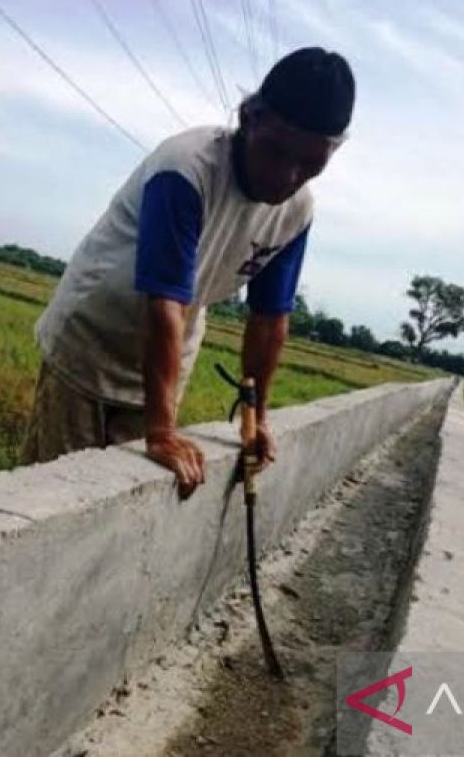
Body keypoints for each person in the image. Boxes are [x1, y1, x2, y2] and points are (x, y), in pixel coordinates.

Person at [23, 47, 355, 496]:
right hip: (93, 338)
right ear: (249, 117)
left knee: (132, 499)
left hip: (168, 354)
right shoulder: (187, 169)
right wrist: (160, 432)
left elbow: (269, 319)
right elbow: (162, 305)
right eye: (276, 152)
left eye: (310, 164)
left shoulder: (297, 210)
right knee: (57, 495)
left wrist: (254, 420)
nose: (286, 176)